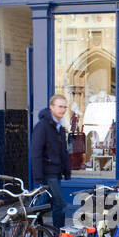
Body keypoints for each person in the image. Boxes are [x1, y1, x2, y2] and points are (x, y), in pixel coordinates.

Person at [30, 93, 71, 228]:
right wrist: (38, 177)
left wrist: (66, 171)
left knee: (47, 200)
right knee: (59, 203)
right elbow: (35, 152)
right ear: (51, 107)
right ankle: (59, 234)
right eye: (60, 106)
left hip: (56, 171)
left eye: (65, 107)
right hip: (48, 172)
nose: (63, 110)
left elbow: (62, 151)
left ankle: (28, 220)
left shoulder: (59, 126)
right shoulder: (43, 126)